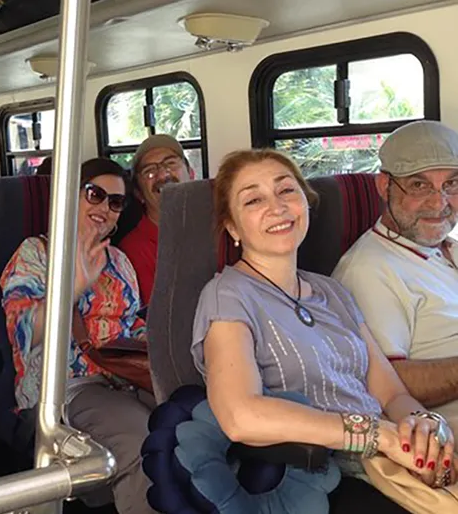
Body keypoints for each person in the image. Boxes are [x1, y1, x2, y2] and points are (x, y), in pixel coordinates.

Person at [193, 148, 454, 511]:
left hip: (388, 456)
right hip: (320, 473)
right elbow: (240, 416)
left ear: (305, 202)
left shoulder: (332, 291)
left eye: (286, 191)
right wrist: (377, 436)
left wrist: (424, 429)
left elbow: (392, 394)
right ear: (233, 227)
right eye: (254, 199)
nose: (277, 207)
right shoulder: (227, 295)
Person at [0, 157, 153, 514]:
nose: (105, 208)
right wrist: (71, 288)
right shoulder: (36, 252)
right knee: (140, 441)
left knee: (192, 421)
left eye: (115, 202)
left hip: (125, 377)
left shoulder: (119, 260)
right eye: (95, 194)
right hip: (66, 386)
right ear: (71, 197)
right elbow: (22, 332)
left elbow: (131, 324)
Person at [334, 120, 458, 428]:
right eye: (419, 185)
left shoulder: (446, 248)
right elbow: (388, 383)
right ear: (384, 186)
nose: (439, 202)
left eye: (452, 184)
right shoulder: (369, 271)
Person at [118, 134, 195, 305]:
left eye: (171, 163)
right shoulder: (133, 249)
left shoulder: (221, 226)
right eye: (149, 171)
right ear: (139, 194)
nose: (162, 174)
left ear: (191, 174)